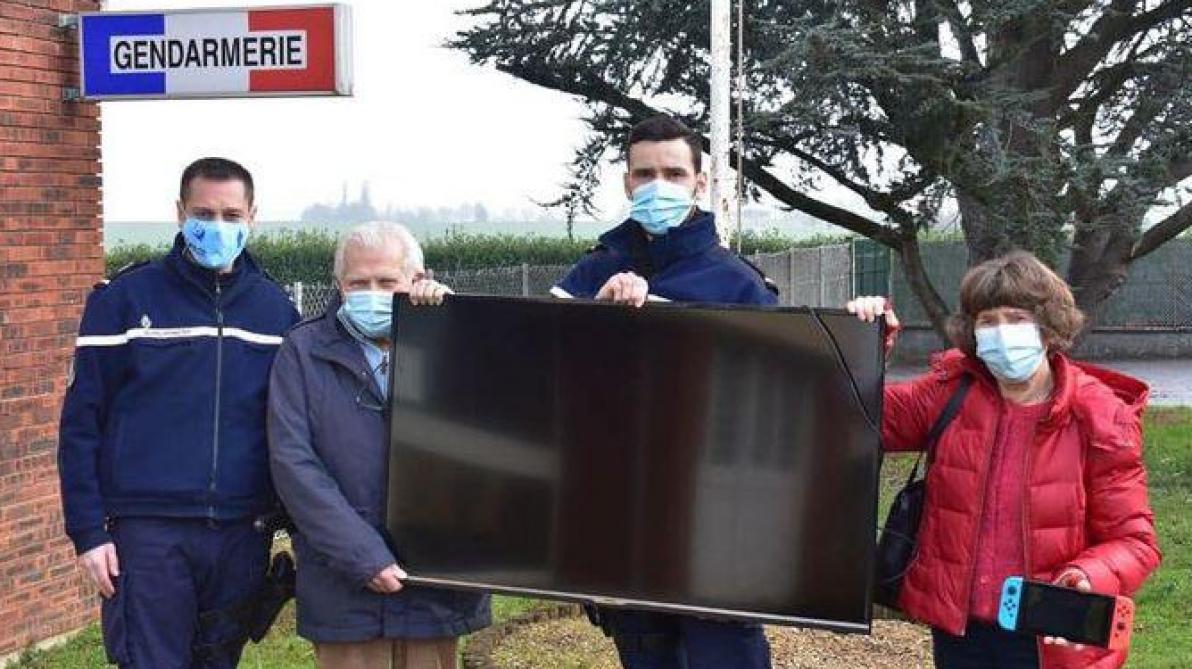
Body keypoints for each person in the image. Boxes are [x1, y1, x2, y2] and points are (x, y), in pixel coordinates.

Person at [847, 250, 1161, 669]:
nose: (1001, 332)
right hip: (963, 635)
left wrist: (1089, 577)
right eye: (988, 321)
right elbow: (855, 417)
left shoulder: (1099, 415)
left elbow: (1135, 541)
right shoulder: (950, 393)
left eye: (1016, 318)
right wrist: (865, 343)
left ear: (1047, 328)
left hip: (1051, 640)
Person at [552, 115, 777, 669]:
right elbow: (548, 387)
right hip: (620, 514)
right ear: (627, 181)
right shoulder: (588, 275)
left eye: (674, 172)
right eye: (645, 172)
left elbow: (769, 397)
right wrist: (598, 321)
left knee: (723, 653)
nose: (658, 185)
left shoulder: (739, 284)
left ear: (701, 181)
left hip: (715, 518)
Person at [58, 157, 301, 667]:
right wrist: (88, 533)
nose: (218, 226)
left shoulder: (276, 311)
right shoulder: (124, 300)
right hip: (148, 534)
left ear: (252, 217)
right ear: (179, 212)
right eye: (203, 213)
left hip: (242, 532)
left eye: (232, 215)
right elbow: (81, 424)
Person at [267, 221, 490, 669]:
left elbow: (493, 427)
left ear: (417, 279)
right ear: (338, 285)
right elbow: (293, 463)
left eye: (387, 282)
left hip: (436, 586)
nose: (372, 293)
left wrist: (452, 323)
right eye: (358, 283)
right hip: (344, 589)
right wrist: (361, 556)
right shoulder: (303, 351)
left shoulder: (456, 342)